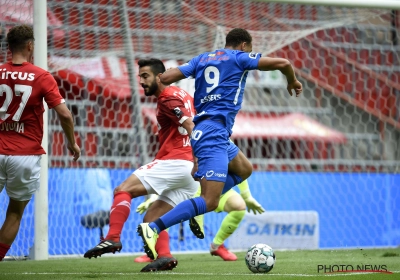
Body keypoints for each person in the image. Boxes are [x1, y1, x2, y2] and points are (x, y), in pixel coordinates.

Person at [137, 27, 303, 260]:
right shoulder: (240, 57)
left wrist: (184, 76)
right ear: (244, 45)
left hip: (208, 131)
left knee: (244, 169)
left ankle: (197, 208)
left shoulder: (201, 59)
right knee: (210, 201)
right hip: (212, 134)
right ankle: (153, 227)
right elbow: (283, 63)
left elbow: (164, 78)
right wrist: (292, 81)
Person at [83, 58, 199, 272]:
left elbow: (191, 125)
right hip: (188, 173)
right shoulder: (184, 95)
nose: (142, 82)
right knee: (152, 219)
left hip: (177, 161)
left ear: (160, 76)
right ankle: (165, 256)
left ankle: (113, 237)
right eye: (140, 77)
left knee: (122, 190)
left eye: (145, 76)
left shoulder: (167, 98)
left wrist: (198, 159)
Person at [0, 24, 81, 261]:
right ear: (30, 46)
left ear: (9, 47)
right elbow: (65, 114)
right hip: (25, 154)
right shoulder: (41, 76)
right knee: (14, 212)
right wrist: (72, 143)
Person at [134, 179, 264, 263]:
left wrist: (247, 197)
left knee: (239, 206)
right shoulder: (187, 141)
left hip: (216, 189)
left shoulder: (224, 140)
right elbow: (172, 173)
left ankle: (217, 246)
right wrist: (154, 197)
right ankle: (156, 253)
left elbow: (238, 166)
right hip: (190, 189)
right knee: (163, 211)